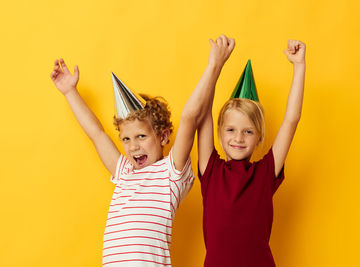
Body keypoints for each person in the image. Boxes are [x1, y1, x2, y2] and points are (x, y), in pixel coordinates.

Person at [49, 45, 232, 266]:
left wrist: (214, 66)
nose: (133, 146)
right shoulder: (124, 171)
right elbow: (96, 134)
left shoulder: (170, 173)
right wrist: (70, 92)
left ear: (163, 136)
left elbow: (189, 117)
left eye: (141, 136)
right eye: (126, 139)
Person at [194, 37, 306, 266]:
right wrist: (216, 65)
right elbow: (203, 113)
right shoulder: (211, 170)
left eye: (248, 131)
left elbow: (291, 120)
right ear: (220, 132)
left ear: (259, 137)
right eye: (231, 130)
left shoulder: (265, 173)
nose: (238, 138)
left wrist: (299, 66)